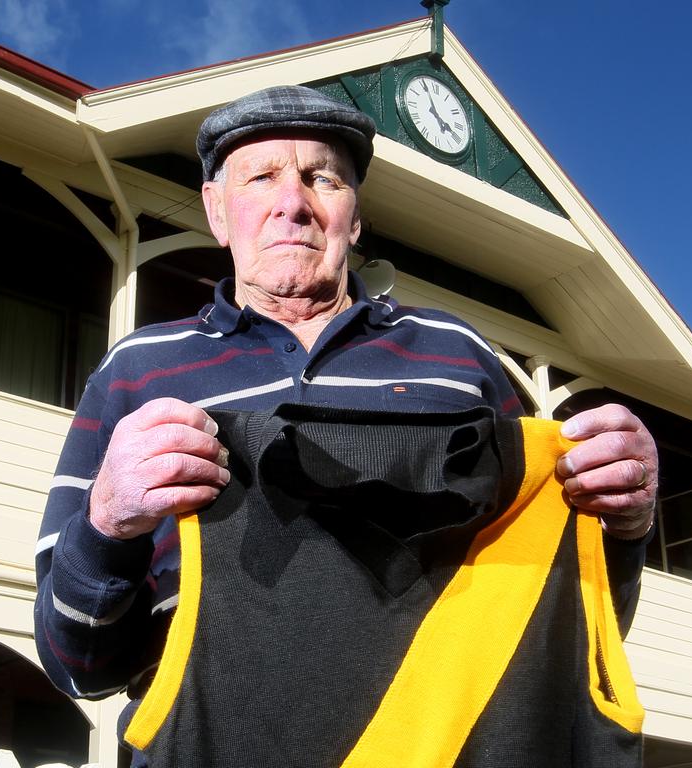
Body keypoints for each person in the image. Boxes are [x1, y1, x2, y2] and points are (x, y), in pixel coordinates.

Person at [34, 85, 657, 761]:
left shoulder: (459, 357)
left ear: (354, 219)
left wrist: (622, 527)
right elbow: (75, 664)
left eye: (322, 178)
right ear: (218, 211)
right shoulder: (136, 373)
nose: (293, 203)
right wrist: (105, 527)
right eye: (261, 177)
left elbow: (561, 618)